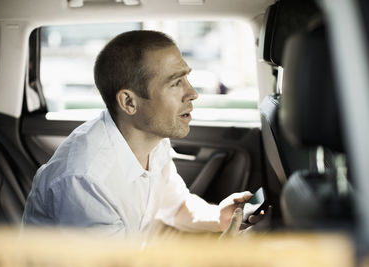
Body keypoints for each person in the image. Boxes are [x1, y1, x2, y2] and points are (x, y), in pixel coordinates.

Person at [22, 30, 254, 236]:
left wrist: (218, 218)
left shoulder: (153, 140)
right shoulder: (85, 180)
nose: (192, 93)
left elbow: (176, 207)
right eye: (175, 83)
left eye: (186, 78)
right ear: (129, 102)